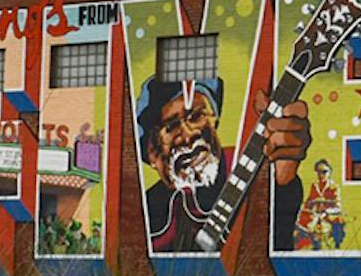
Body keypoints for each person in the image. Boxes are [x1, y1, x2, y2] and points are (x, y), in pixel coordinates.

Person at [137, 76, 310, 254]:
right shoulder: (145, 211)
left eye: (197, 116)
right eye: (171, 127)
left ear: (215, 120)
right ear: (151, 153)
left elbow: (276, 220)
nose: (189, 135)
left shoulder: (249, 167)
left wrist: (282, 181)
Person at [294, 159, 346, 250]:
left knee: (338, 223)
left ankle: (336, 245)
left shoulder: (334, 187)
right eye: (318, 172)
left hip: (327, 216)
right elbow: (308, 203)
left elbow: (338, 206)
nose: (321, 175)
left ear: (330, 172)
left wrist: (325, 211)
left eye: (324, 172)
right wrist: (310, 205)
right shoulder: (314, 186)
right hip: (314, 215)